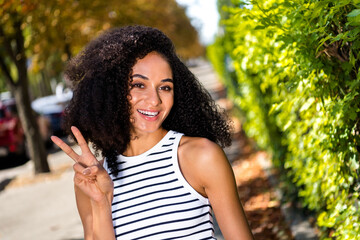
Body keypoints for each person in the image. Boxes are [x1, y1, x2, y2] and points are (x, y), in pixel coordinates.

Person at [51, 25, 254, 240]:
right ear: (112, 90)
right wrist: (101, 204)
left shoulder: (200, 156)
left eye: (165, 87)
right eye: (139, 85)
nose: (155, 100)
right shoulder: (91, 180)